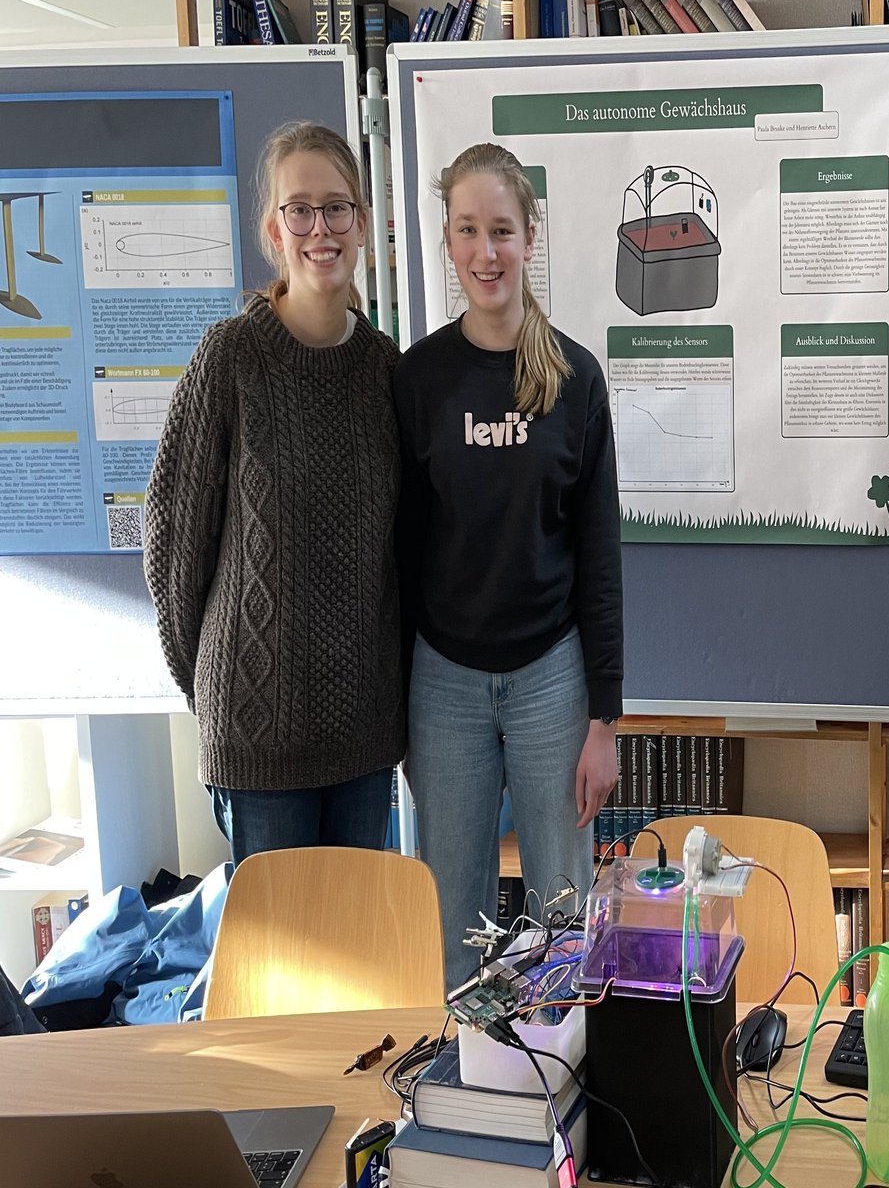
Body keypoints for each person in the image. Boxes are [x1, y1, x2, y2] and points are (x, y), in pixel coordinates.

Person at [394, 142, 622, 991]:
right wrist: (399, 710)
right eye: (466, 231)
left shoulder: (576, 379)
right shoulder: (417, 379)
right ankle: (466, 1069)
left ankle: (563, 1066)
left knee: (563, 923)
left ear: (531, 235)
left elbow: (600, 556)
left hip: (551, 679)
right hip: (444, 682)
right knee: (456, 924)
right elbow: (401, 552)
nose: (485, 252)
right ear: (448, 241)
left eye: (500, 230)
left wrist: (604, 722)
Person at [144, 122, 404, 866]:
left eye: (337, 208)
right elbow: (173, 550)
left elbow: (402, 559)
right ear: (273, 230)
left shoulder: (387, 372)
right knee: (279, 942)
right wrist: (217, 694)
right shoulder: (231, 358)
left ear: (362, 224)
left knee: (356, 938)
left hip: (363, 742)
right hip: (256, 743)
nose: (320, 228)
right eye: (300, 210)